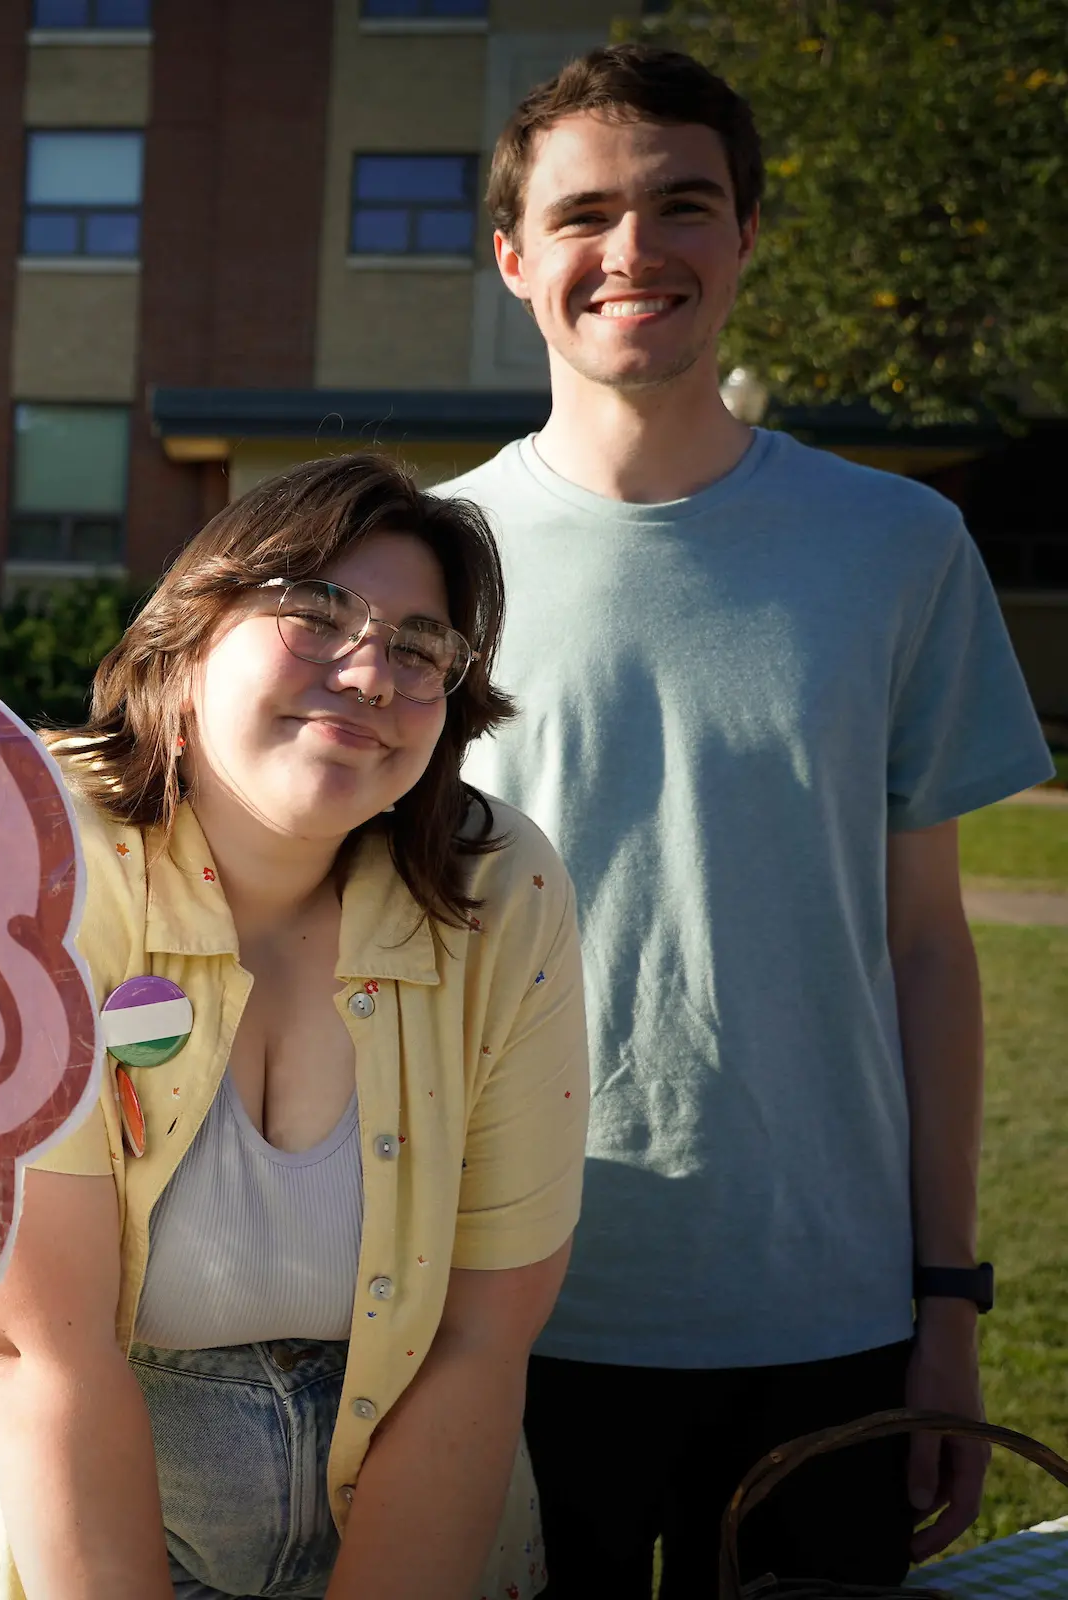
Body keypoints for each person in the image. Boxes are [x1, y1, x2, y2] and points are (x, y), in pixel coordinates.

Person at [440, 44, 1056, 1599]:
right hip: (496, 1308)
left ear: (747, 239)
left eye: (682, 206)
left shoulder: (901, 547)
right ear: (515, 258)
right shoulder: (421, 567)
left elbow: (928, 949)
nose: (632, 251)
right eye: (584, 216)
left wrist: (948, 1307)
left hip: (825, 1317)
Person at [0, 453, 590, 1600]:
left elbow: (481, 1337)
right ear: (188, 640)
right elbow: (36, 1345)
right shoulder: (33, 862)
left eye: (419, 647)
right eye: (314, 612)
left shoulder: (499, 891)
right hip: (75, 1515)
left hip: (413, 1504)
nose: (369, 670)